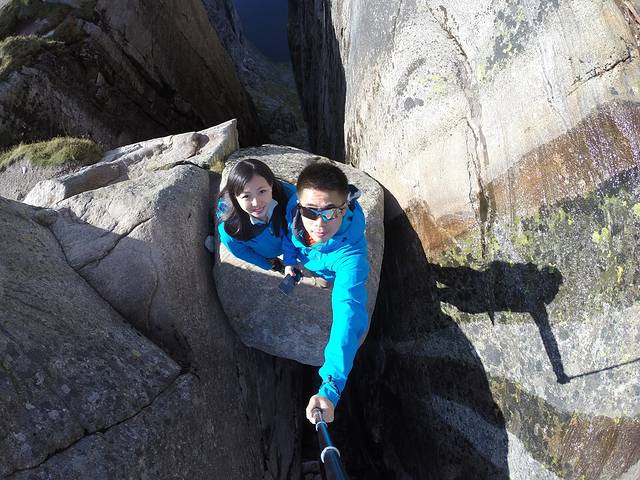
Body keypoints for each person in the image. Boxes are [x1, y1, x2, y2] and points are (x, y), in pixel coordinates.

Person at [283, 162, 369, 424]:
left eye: (331, 212)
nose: (319, 223)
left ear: (345, 207)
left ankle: (324, 279)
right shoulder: (291, 205)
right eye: (310, 211)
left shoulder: (352, 256)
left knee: (328, 283)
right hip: (307, 257)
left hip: (334, 264)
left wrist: (330, 388)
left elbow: (347, 314)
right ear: (299, 204)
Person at [216, 158, 295, 272]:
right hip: (269, 254)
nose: (256, 203)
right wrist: (267, 264)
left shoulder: (290, 198)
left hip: (291, 245)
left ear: (271, 185)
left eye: (262, 191)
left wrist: (291, 258)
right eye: (246, 196)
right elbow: (241, 251)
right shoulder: (231, 229)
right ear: (235, 197)